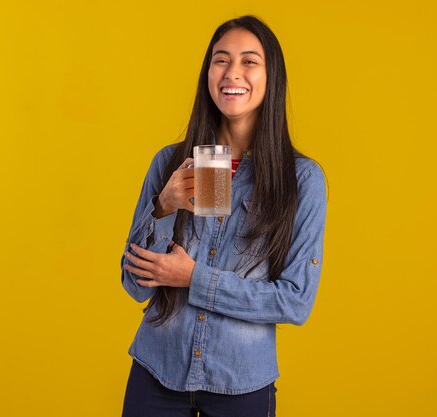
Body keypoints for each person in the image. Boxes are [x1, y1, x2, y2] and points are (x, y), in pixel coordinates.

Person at [120, 15, 327, 417]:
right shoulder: (169, 162)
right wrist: (163, 206)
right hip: (155, 373)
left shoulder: (301, 179)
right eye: (221, 60)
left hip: (241, 382)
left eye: (249, 61)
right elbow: (134, 286)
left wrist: (193, 278)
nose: (233, 72)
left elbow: (295, 301)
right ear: (208, 73)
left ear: (271, 78)